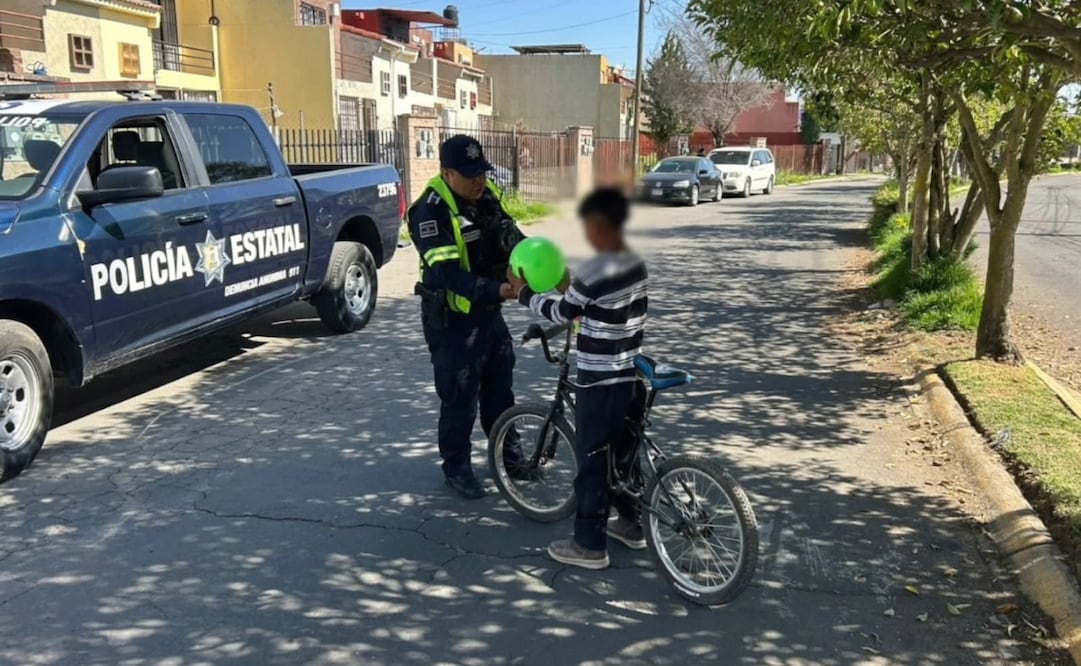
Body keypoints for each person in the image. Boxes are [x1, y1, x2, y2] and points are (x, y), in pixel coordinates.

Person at [508, 187, 649, 570]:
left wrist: (524, 294)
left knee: (592, 461)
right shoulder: (633, 262)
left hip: (598, 380)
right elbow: (594, 307)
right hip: (628, 373)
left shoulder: (595, 269)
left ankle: (589, 545)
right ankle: (632, 522)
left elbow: (562, 312)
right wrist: (568, 289)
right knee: (622, 455)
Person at [407, 134, 527, 500]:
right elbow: (448, 274)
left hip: (489, 313)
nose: (480, 181)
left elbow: (511, 238)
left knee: (500, 390)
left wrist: (536, 266)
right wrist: (496, 290)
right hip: (453, 322)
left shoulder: (484, 197)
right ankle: (457, 468)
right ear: (448, 174)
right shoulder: (429, 211)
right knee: (459, 398)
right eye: (471, 174)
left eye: (483, 173)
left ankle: (509, 457)